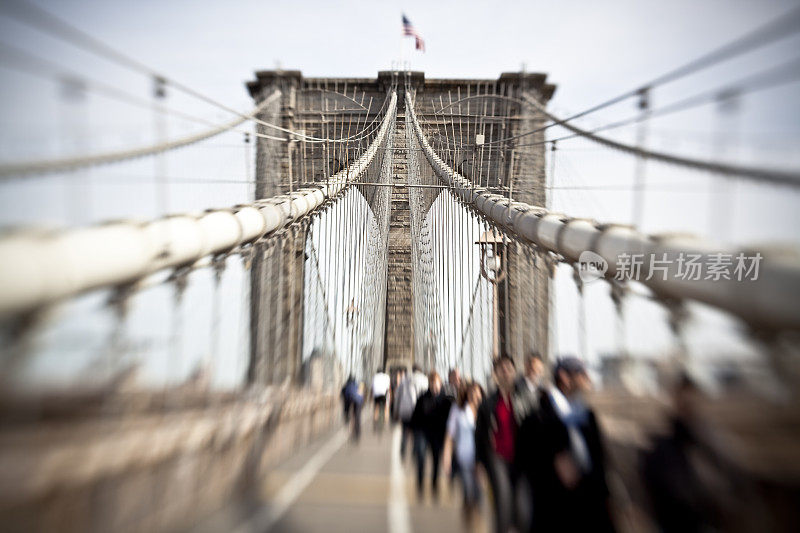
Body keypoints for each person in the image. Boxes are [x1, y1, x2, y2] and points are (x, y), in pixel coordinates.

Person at [536, 357, 615, 532]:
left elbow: (599, 462)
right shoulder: (540, 419)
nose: (587, 377)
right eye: (581, 372)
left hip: (592, 506)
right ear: (564, 377)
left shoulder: (588, 416)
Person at [475, 355, 529, 533]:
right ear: (495, 375)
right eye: (500, 369)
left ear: (514, 371)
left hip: (522, 460)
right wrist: (479, 464)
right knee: (503, 506)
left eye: (508, 368)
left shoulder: (527, 399)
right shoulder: (487, 404)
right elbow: (480, 436)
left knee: (524, 512)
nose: (505, 372)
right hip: (497, 459)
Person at [443, 381, 484, 527]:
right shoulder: (458, 410)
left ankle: (477, 521)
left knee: (479, 495)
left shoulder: (485, 411)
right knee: (468, 491)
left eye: (477, 392)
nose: (475, 395)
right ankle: (469, 522)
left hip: (481, 461)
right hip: (463, 458)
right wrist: (446, 458)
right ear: (467, 394)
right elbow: (450, 436)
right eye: (472, 392)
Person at [410, 371, 452, 501]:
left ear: (440, 384)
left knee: (435, 461)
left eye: (436, 384)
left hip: (438, 434)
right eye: (432, 384)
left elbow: (452, 419)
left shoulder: (446, 400)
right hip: (423, 432)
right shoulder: (422, 397)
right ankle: (420, 485)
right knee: (421, 458)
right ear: (429, 384)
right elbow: (415, 417)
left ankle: (434, 486)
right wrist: (413, 432)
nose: (434, 386)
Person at [394, 367, 417, 460]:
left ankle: (403, 450)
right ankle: (414, 451)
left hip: (403, 411)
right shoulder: (414, 383)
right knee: (414, 432)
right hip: (413, 410)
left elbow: (397, 397)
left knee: (404, 432)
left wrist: (396, 411)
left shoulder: (402, 383)